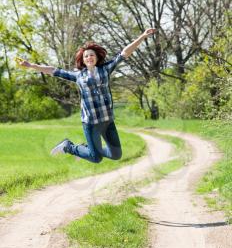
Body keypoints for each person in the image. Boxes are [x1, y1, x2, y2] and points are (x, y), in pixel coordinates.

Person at [19, 28, 155, 163]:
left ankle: (88, 149)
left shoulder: (105, 69)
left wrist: (142, 36)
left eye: (91, 55)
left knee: (116, 155)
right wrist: (32, 65)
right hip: (90, 123)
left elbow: (125, 53)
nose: (89, 57)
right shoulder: (78, 76)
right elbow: (53, 70)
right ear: (83, 60)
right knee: (96, 158)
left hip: (107, 121)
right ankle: (69, 146)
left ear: (96, 57)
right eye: (86, 56)